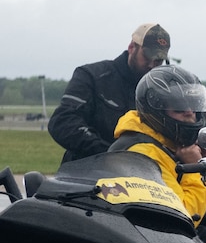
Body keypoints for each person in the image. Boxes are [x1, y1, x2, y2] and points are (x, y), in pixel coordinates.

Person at [55, 63, 206, 225]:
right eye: (179, 109)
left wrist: (205, 163)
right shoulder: (144, 153)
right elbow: (186, 216)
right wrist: (193, 169)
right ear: (157, 112)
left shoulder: (173, 146)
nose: (190, 115)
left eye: (193, 108)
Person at [48, 23, 172, 163]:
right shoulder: (92, 76)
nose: (151, 65)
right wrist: (108, 154)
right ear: (132, 47)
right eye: (147, 56)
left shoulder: (162, 90)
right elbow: (62, 121)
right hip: (89, 170)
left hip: (145, 173)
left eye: (158, 60)